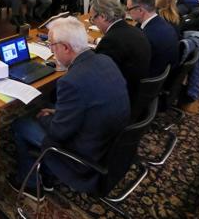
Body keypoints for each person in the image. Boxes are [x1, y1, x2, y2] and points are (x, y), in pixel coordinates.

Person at [10, 17, 130, 199]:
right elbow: (91, 103)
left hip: (85, 155)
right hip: (108, 142)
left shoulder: (71, 81)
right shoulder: (105, 60)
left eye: (52, 46)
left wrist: (44, 118)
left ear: (66, 47)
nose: (51, 50)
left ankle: (31, 185)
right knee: (51, 107)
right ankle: (49, 177)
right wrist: (58, 113)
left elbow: (58, 133)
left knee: (21, 124)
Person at [90, 0, 151, 104]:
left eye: (93, 19)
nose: (93, 23)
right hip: (135, 92)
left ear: (103, 16)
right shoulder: (135, 30)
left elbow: (98, 78)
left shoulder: (111, 40)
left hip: (118, 101)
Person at [126, 0, 179, 77]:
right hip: (162, 77)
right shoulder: (161, 23)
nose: (127, 12)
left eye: (128, 9)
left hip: (147, 82)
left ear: (140, 10)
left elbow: (132, 62)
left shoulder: (146, 36)